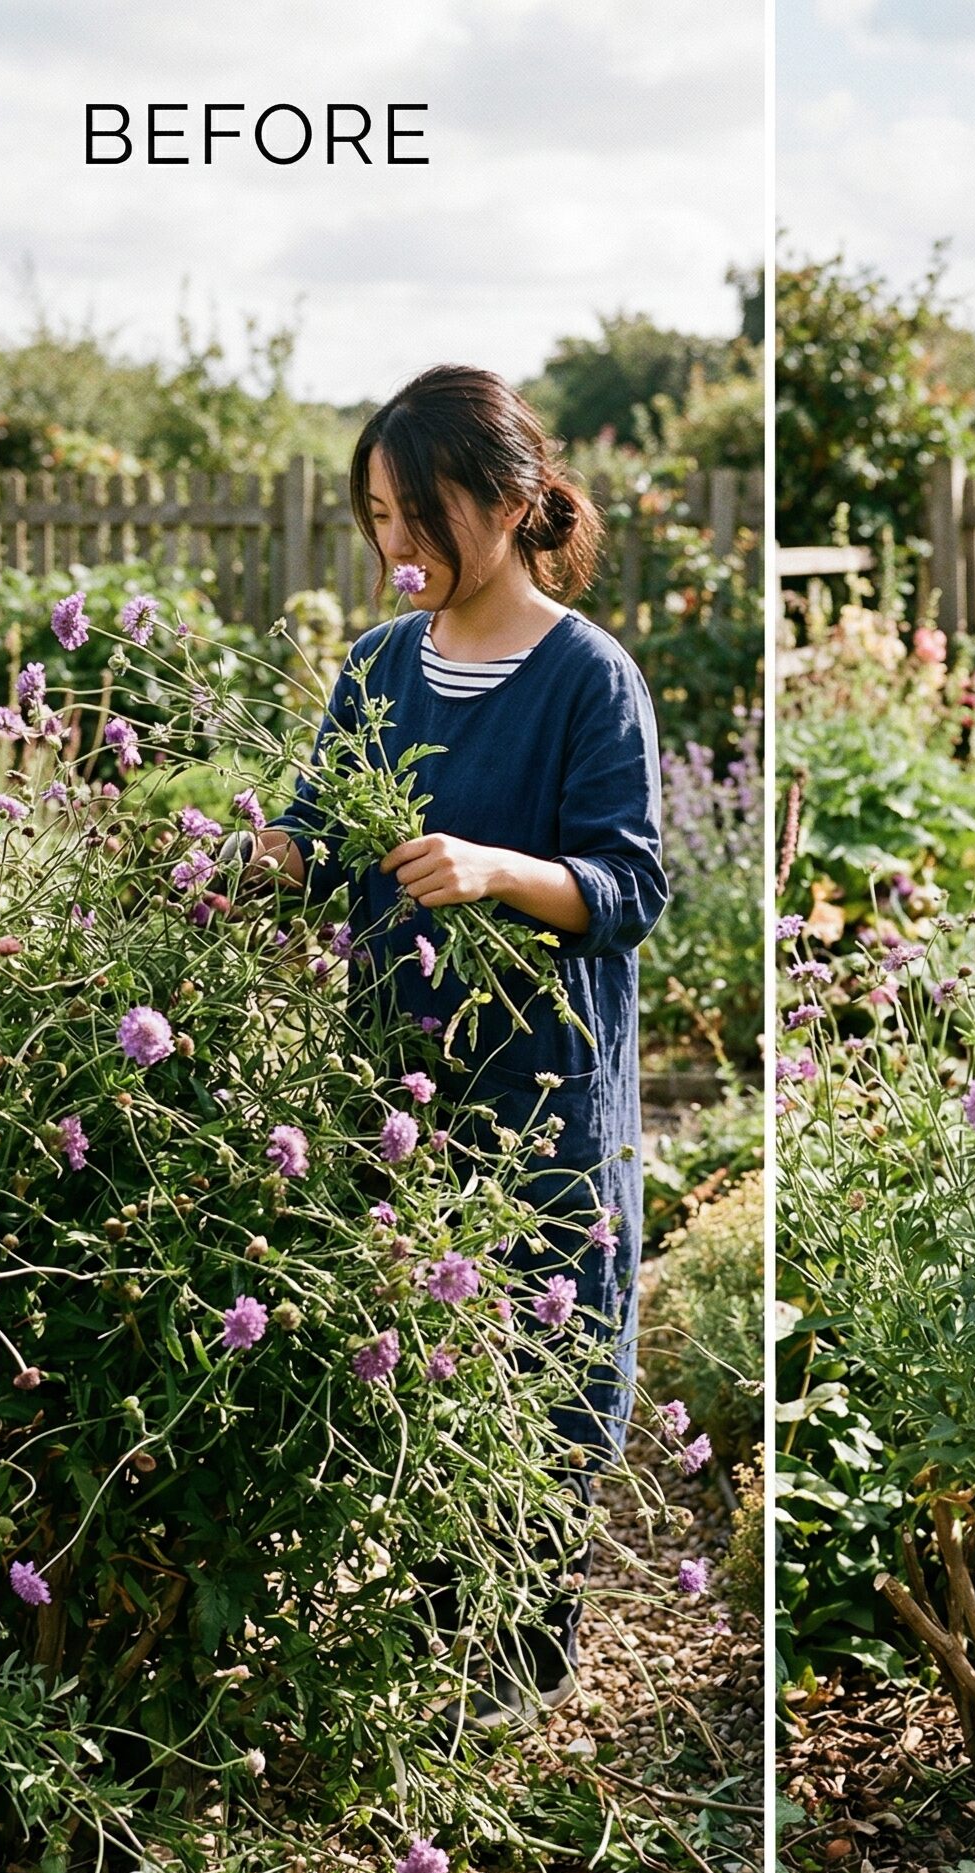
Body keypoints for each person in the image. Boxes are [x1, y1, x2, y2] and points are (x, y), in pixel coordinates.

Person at [240, 364, 667, 1727]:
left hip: (540, 1083)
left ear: (513, 503)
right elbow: (319, 835)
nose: (398, 545)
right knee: (418, 1345)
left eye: (423, 515)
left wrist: (495, 870)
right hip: (396, 1075)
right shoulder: (377, 667)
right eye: (379, 516)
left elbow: (630, 888)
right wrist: (251, 862)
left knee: (542, 1347)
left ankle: (521, 1662)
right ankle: (432, 1640)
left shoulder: (587, 676)